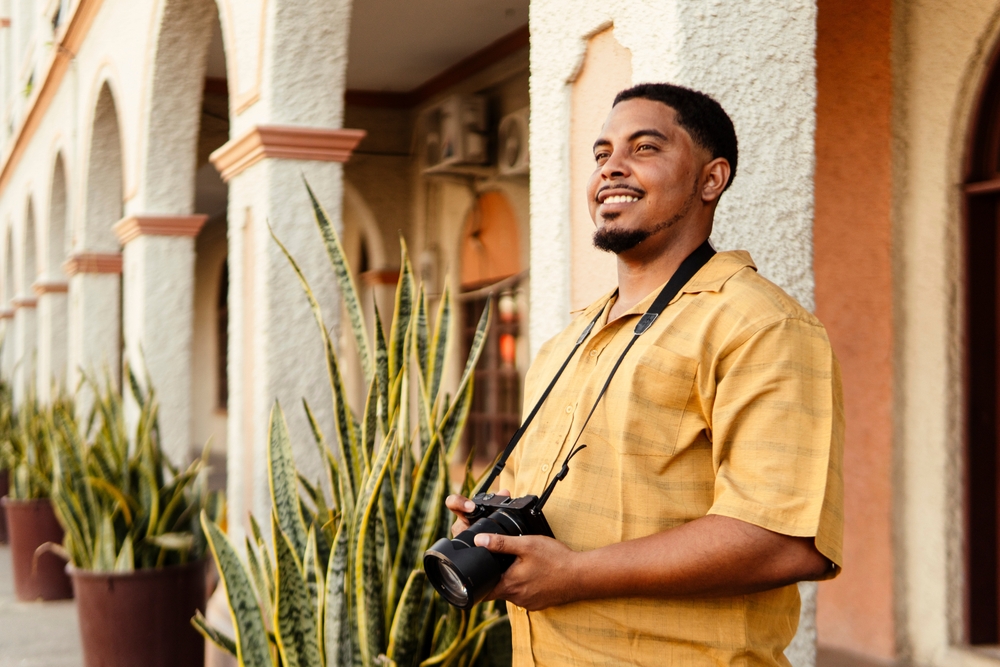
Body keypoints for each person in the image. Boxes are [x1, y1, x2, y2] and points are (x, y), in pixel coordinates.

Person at [446, 83, 844, 666]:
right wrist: (495, 529)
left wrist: (577, 575)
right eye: (602, 153)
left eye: (645, 148)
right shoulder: (569, 338)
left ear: (712, 179)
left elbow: (784, 542)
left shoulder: (759, 324)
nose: (612, 168)